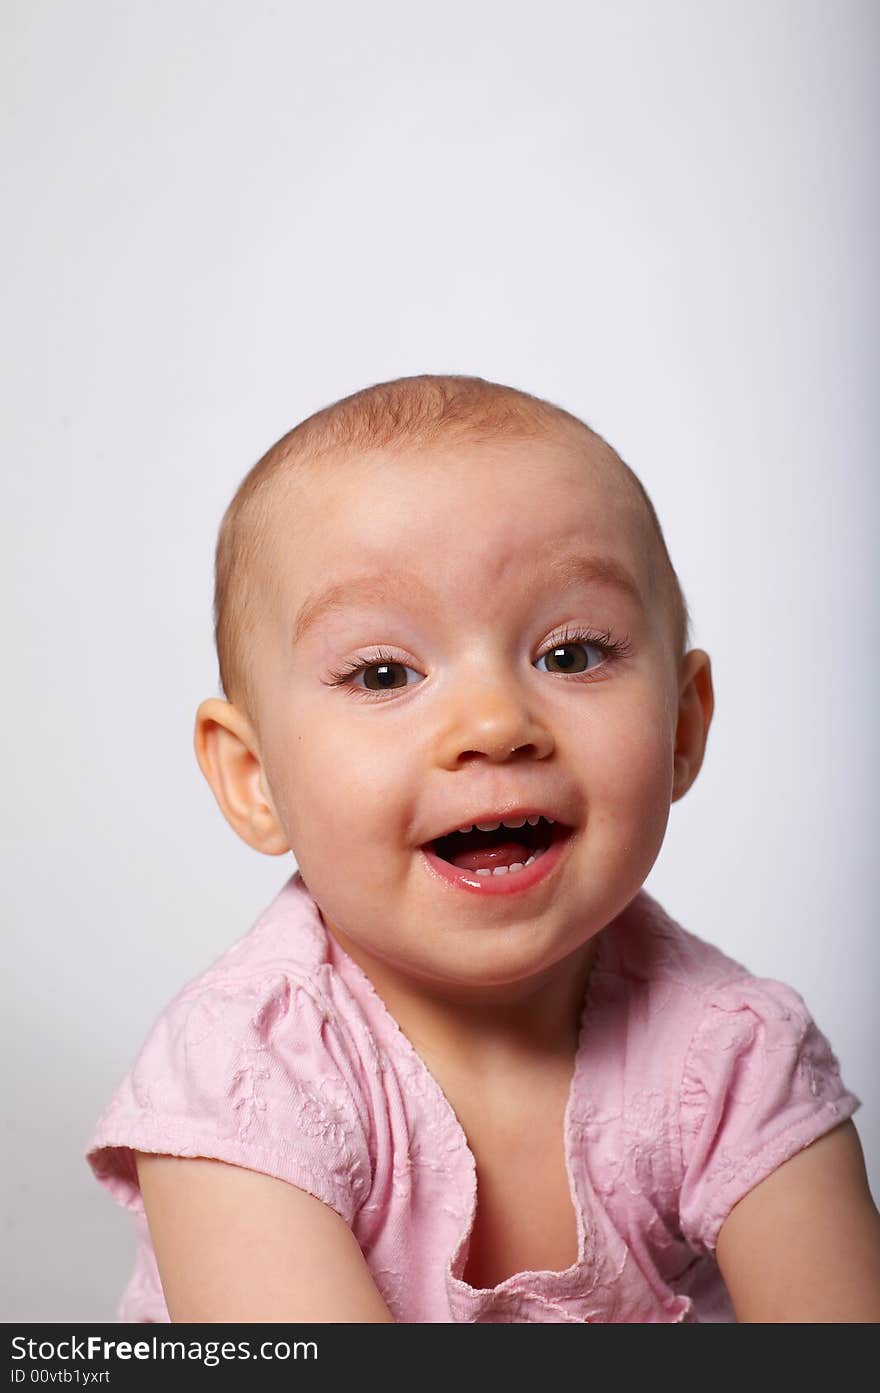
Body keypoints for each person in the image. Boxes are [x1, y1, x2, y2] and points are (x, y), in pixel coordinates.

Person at [86, 374, 880, 1323]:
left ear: (681, 726)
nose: (497, 723)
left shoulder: (736, 1055)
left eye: (571, 653)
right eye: (385, 672)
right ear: (255, 777)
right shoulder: (246, 1068)